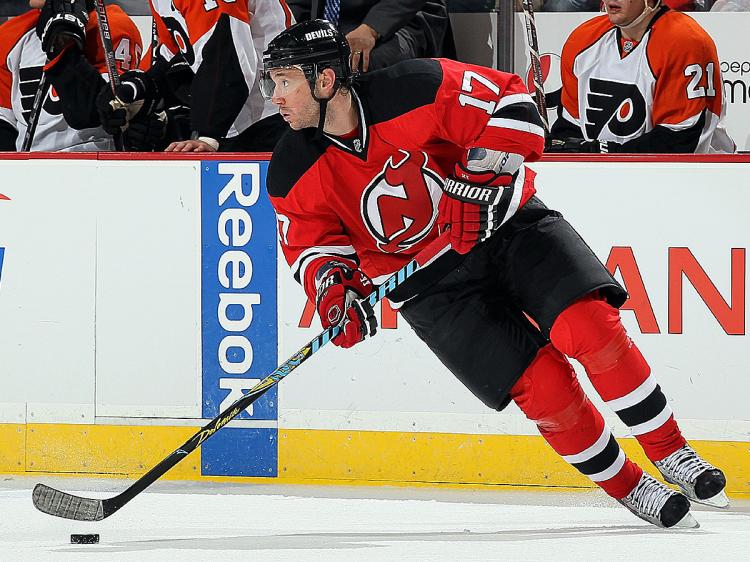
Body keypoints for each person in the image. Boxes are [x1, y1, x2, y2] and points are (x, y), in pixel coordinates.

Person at [262, 19, 728, 529]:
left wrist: (478, 182)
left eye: (285, 81)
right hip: (431, 289)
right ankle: (631, 486)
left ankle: (671, 452)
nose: (276, 97)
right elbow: (312, 245)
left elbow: (517, 108)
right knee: (544, 388)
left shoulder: (415, 86)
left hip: (505, 229)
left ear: (326, 80)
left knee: (589, 326)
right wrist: (335, 292)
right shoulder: (291, 165)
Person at [96, 0, 293, 153]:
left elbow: (228, 54)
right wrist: (141, 88)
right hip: (245, 121)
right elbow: (180, 56)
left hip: (275, 118)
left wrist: (208, 136)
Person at [547, 0, 734, 153]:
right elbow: (570, 124)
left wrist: (606, 155)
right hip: (607, 173)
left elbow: (679, 138)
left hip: (698, 177)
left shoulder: (685, 41)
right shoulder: (582, 40)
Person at [0, 0, 142, 151]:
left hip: (93, 164)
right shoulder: (10, 34)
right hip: (28, 168)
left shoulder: (110, 23)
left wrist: (63, 42)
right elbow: (4, 122)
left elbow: (90, 114)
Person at [287, 0, 452, 72]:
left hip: (402, 17)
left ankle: (376, 137)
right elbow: (299, 5)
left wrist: (372, 28)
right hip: (338, 22)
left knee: (362, 61)